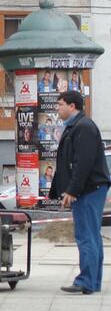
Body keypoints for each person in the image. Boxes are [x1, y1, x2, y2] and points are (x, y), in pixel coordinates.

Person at [49, 90, 111, 295]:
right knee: (91, 235)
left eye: (60, 104)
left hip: (88, 190)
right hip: (89, 188)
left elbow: (81, 163)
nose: (57, 108)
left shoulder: (83, 127)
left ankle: (86, 281)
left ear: (72, 106)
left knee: (86, 236)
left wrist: (73, 190)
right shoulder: (76, 126)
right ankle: (92, 282)